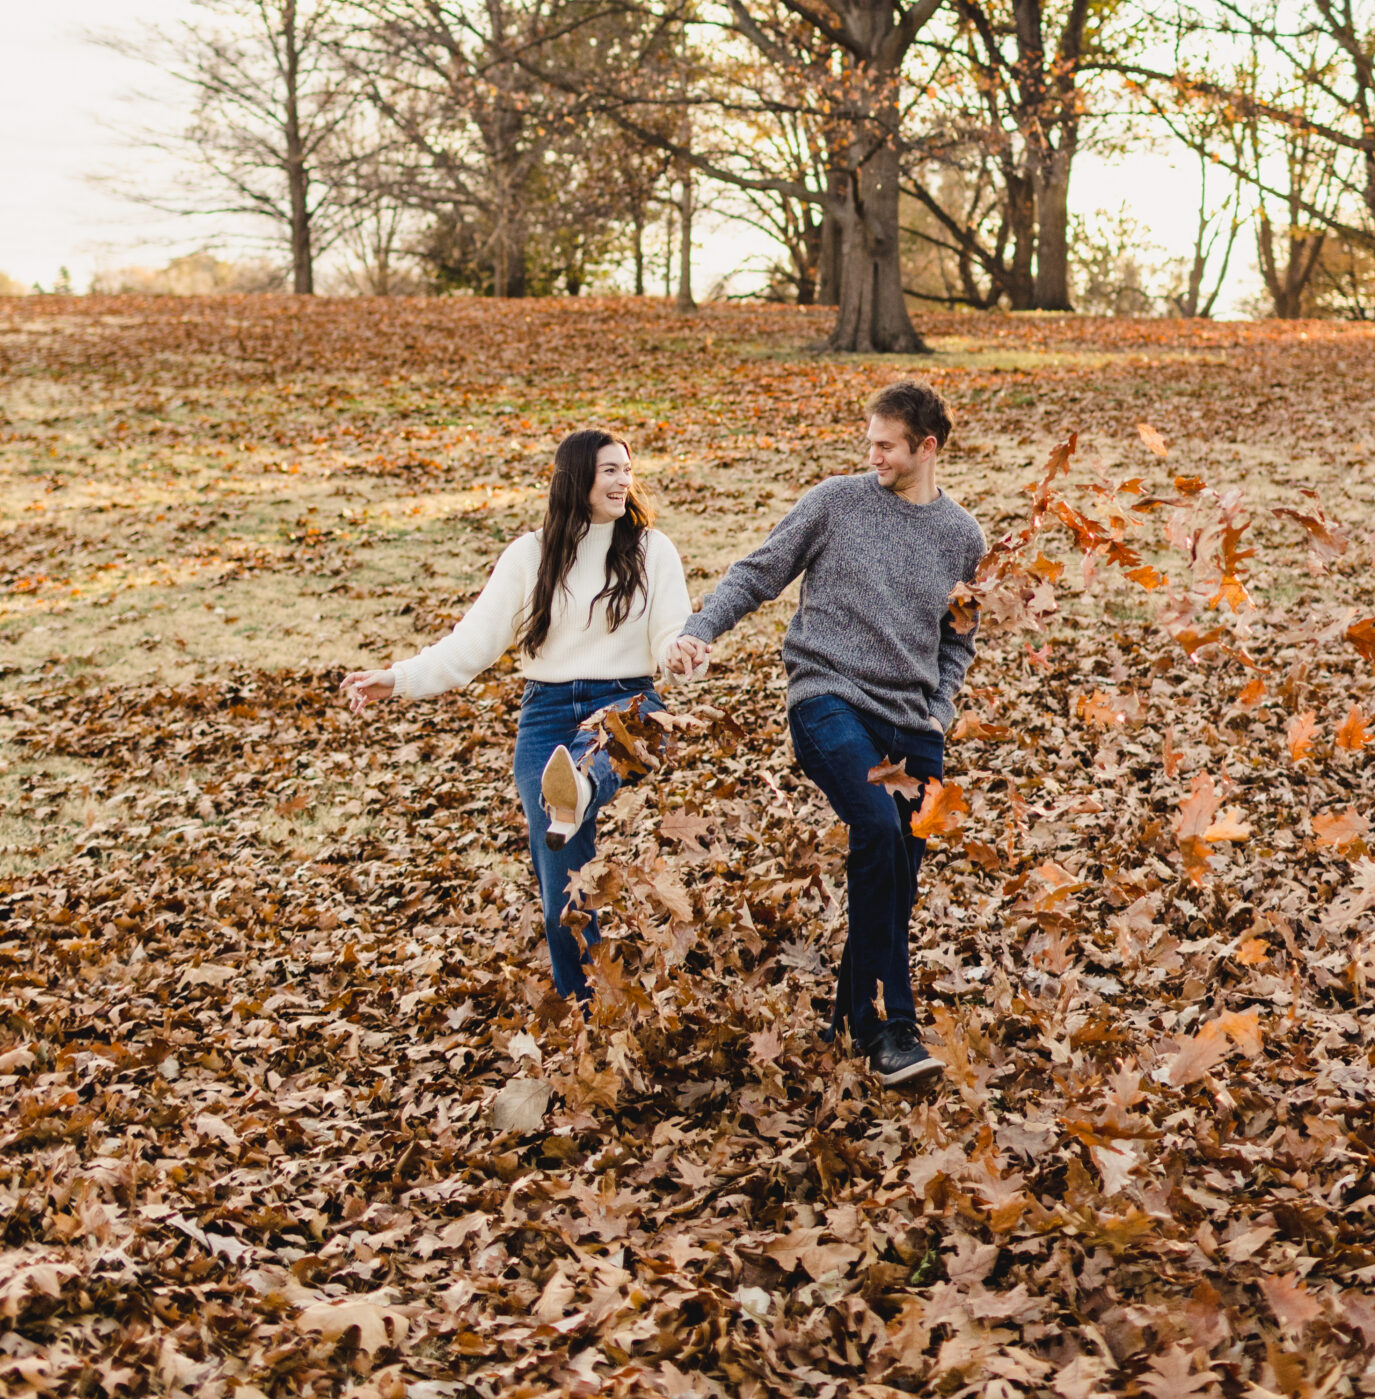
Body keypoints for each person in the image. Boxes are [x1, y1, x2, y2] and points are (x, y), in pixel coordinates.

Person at [665, 381, 983, 1086]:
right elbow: (758, 572)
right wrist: (699, 631)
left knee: (896, 877)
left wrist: (940, 711)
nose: (872, 455)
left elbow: (957, 639)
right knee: (875, 827)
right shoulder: (835, 502)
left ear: (926, 448)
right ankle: (893, 1029)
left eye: (886, 446)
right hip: (828, 698)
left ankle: (851, 1017)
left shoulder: (963, 537)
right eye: (868, 441)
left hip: (912, 722)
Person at [340, 428, 690, 1006]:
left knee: (595, 768)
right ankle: (584, 1007)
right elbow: (470, 645)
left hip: (628, 702)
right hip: (547, 714)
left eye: (627, 469)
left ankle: (579, 783)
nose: (624, 480)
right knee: (561, 888)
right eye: (609, 470)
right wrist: (397, 679)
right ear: (576, 478)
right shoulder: (529, 555)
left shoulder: (654, 550)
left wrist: (684, 654)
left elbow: (673, 634)